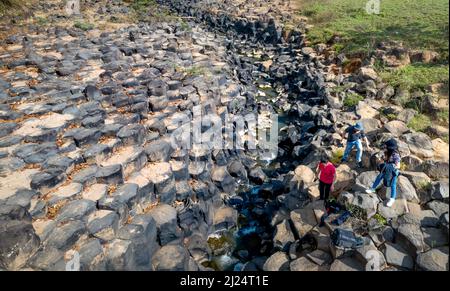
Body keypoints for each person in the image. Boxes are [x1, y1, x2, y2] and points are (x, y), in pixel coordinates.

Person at [366, 139, 401, 207]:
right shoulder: (388, 152)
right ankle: (372, 189)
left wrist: (390, 166)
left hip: (393, 171)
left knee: (393, 184)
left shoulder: (395, 154)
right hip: (386, 169)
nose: (386, 147)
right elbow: (385, 159)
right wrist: (381, 159)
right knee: (379, 177)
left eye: (387, 146)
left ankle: (392, 199)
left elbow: (398, 166)